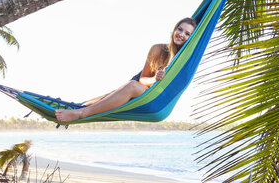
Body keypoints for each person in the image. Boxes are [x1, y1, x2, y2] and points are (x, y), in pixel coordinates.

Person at [55, 17, 197, 123]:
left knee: (130, 87)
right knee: (107, 97)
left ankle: (81, 114)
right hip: (142, 89)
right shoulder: (158, 49)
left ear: (191, 38)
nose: (181, 35)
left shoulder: (184, 59)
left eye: (187, 33)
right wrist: (154, 79)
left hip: (158, 101)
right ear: (174, 29)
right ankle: (74, 108)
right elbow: (142, 79)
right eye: (180, 29)